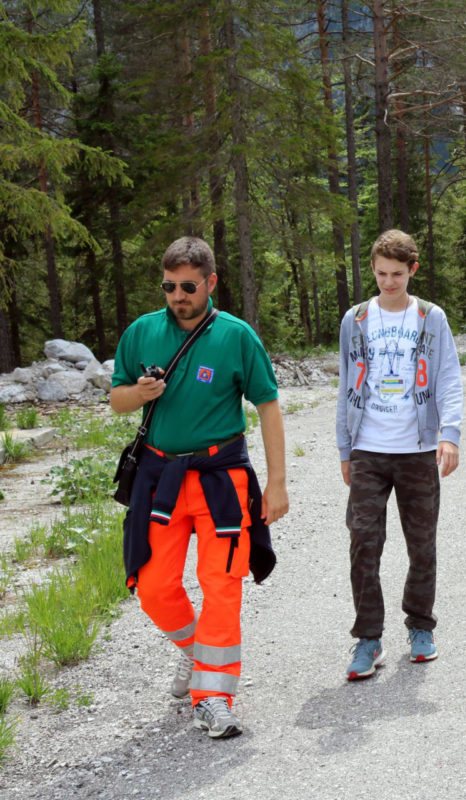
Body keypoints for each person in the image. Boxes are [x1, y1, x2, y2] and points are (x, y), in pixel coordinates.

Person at [111, 236, 288, 740]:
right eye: (169, 287)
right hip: (159, 478)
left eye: (188, 287)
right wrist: (139, 393)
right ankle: (197, 652)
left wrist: (277, 483)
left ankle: (213, 697)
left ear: (210, 282)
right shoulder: (141, 332)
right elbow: (117, 400)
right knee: (152, 586)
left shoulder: (236, 336)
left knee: (221, 583)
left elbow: (268, 406)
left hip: (221, 479)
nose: (178, 296)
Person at [336, 229, 463, 680]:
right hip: (368, 450)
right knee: (363, 543)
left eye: (397, 274)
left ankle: (421, 627)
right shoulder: (356, 319)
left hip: (418, 451)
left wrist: (450, 434)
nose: (389, 282)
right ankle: (368, 639)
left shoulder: (430, 317)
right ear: (372, 270)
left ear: (412, 270)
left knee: (421, 544)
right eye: (381, 273)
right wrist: (345, 448)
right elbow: (346, 384)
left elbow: (447, 376)